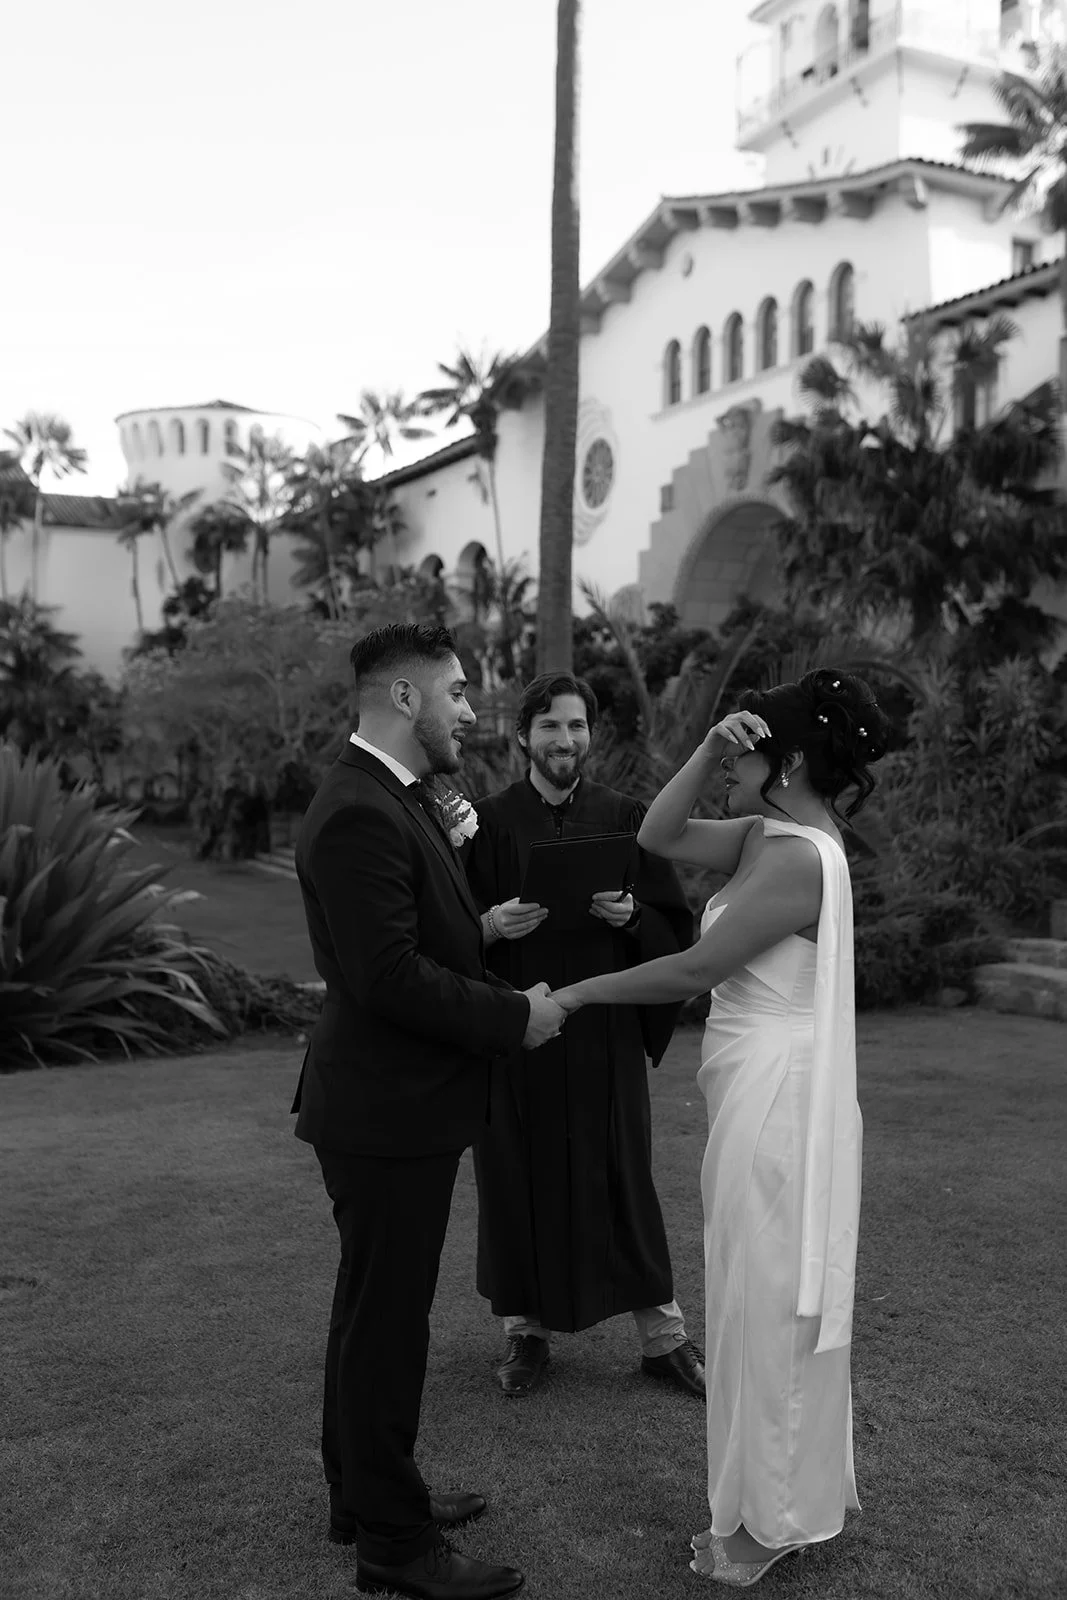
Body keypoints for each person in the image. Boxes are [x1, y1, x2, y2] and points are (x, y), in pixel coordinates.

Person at [549, 669, 890, 1587]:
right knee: (749, 1295)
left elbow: (689, 970)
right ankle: (773, 1498)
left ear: (785, 762)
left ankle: (771, 1520)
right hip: (749, 1088)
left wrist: (577, 992)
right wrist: (704, 746)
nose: (724, 770)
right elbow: (656, 835)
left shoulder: (795, 857)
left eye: (741, 755)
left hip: (781, 1098)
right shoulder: (760, 833)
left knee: (772, 1306)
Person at [292, 622, 564, 1600]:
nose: (466, 710)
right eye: (453, 692)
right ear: (401, 699)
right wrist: (512, 1016)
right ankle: (393, 1545)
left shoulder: (392, 798)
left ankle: (360, 1495)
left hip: (389, 1105)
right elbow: (389, 976)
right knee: (386, 1322)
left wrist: (479, 928)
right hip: (383, 1109)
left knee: (371, 1313)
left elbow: (418, 934)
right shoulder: (359, 810)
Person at [459, 672, 704, 1399]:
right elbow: (439, 935)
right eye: (549, 727)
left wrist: (631, 919)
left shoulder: (630, 818)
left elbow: (675, 930)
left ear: (589, 734)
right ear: (523, 736)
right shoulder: (486, 825)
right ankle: (524, 1336)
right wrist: (487, 926)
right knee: (515, 1179)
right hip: (518, 1035)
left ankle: (663, 1339)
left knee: (622, 1176)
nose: (564, 740)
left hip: (604, 1041)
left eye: (575, 726)